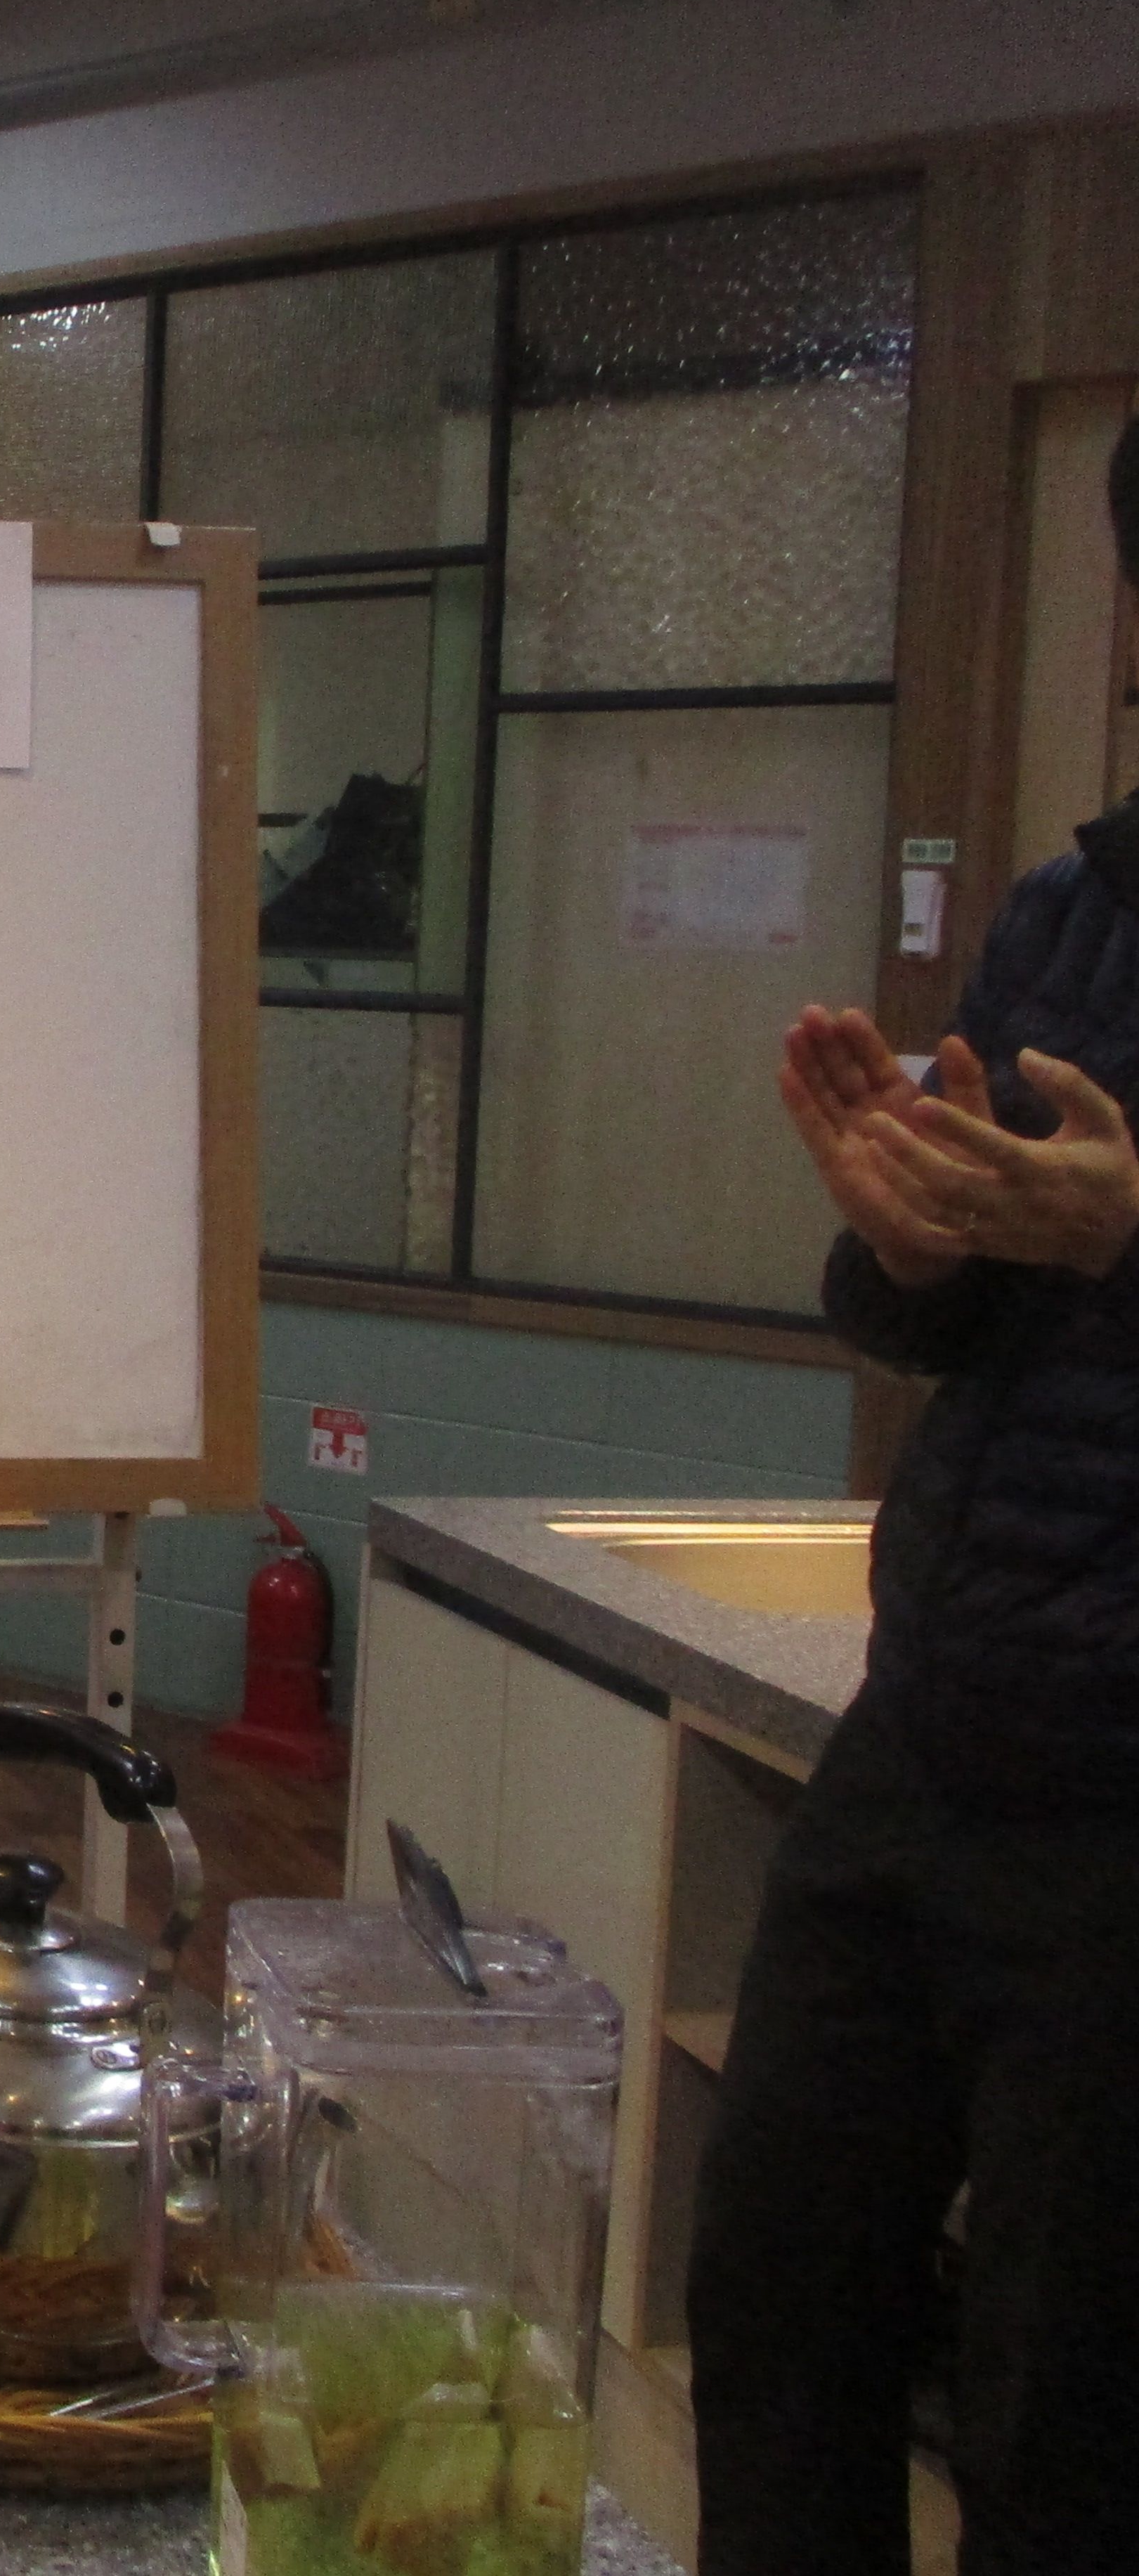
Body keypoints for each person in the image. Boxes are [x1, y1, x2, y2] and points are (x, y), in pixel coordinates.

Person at [693, 418, 1139, 2575]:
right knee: (778, 2293)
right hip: (934, 1726)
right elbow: (953, 1305)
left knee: (1067, 2416)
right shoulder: (1074, 911)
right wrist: (912, 1242)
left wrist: (1129, 1236)